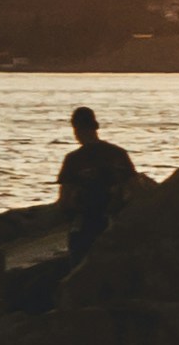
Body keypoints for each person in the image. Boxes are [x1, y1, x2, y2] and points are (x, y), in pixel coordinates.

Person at [55, 107, 138, 258]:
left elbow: (65, 200)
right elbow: (133, 188)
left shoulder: (74, 159)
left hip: (85, 222)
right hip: (113, 221)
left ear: (76, 129)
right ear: (95, 126)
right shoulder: (118, 153)